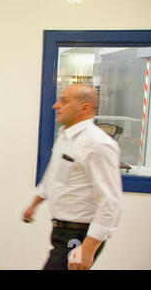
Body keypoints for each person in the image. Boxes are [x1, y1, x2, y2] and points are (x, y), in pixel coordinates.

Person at [22, 84, 122, 270]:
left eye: (64, 101)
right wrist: (34, 204)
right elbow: (55, 175)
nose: (55, 105)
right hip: (61, 231)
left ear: (84, 108)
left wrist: (88, 249)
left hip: (78, 234)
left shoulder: (98, 144)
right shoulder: (65, 137)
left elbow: (110, 202)